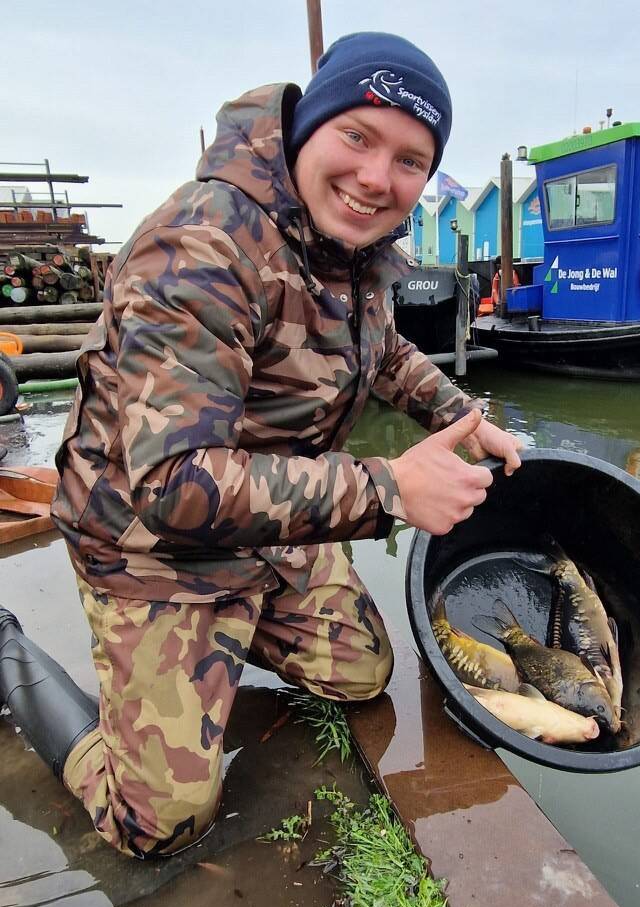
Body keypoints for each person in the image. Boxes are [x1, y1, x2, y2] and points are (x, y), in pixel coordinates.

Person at [0, 32, 523, 859]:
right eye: (358, 136)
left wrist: (463, 413)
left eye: (410, 160)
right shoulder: (200, 247)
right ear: (309, 124)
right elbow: (169, 485)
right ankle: (11, 655)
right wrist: (388, 489)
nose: (377, 178)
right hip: (151, 543)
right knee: (161, 826)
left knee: (364, 673)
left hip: (264, 523)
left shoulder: (360, 249)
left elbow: (382, 350)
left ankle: (228, 628)